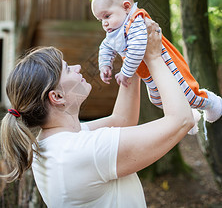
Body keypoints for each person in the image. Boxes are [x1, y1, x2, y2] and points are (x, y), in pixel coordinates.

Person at [0, 20, 194, 207]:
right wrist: (153, 56)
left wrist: (132, 56)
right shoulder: (80, 152)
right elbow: (181, 120)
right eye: (68, 69)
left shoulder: (57, 141)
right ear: (57, 96)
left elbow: (122, 120)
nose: (77, 68)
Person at [91, 0, 222, 132]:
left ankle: (212, 102)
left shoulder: (136, 22)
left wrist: (125, 73)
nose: (105, 24)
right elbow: (106, 46)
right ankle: (187, 113)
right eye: (101, 20)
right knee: (159, 100)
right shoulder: (116, 29)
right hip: (148, 73)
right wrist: (105, 64)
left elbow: (137, 49)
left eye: (107, 16)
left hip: (166, 65)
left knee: (188, 93)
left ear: (126, 7)